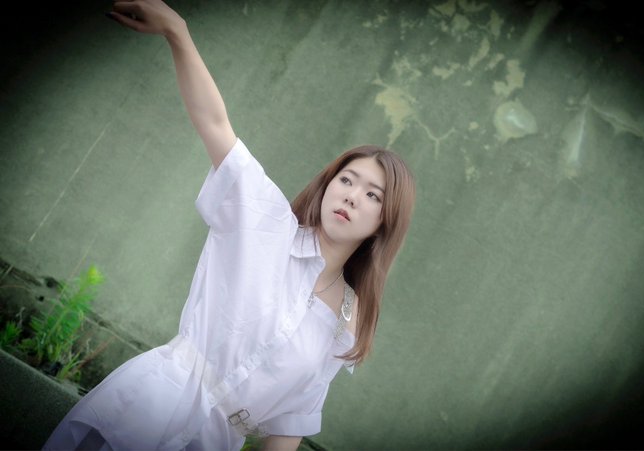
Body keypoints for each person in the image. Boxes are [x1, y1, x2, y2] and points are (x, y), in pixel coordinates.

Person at [43, 0, 415, 449]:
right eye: (347, 180)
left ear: (383, 223)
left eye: (373, 195)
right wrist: (177, 31)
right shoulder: (266, 222)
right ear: (328, 184)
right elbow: (215, 123)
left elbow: (290, 425)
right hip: (150, 407)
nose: (352, 196)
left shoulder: (345, 323)